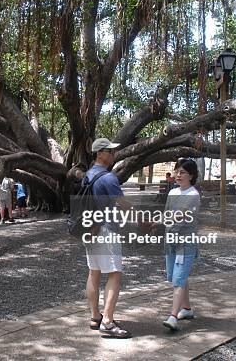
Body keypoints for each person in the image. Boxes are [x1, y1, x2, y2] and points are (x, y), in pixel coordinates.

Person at [84, 138, 132, 338]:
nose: (113, 155)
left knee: (94, 272)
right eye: (109, 151)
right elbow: (123, 204)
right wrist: (143, 221)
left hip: (89, 228)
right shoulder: (108, 178)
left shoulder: (87, 175)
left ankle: (96, 316)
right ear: (100, 154)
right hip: (106, 230)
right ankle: (108, 322)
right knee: (114, 273)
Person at [162, 158, 201, 330]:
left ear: (191, 176)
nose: (178, 174)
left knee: (178, 280)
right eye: (177, 170)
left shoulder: (193, 195)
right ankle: (187, 309)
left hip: (185, 244)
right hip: (171, 241)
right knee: (175, 277)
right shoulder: (172, 193)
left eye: (183, 172)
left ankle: (172, 317)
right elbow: (167, 214)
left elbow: (179, 216)